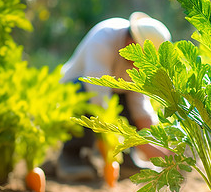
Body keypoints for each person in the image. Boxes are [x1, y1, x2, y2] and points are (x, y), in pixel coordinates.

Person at [57, 12, 171, 182]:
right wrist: (145, 146)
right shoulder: (103, 40)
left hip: (109, 95)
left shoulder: (137, 63)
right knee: (83, 95)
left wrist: (159, 146)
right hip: (77, 90)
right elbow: (98, 100)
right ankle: (71, 156)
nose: (143, 65)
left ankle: (125, 160)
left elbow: (139, 106)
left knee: (125, 102)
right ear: (132, 43)